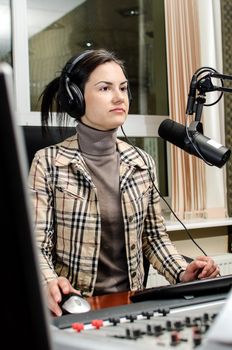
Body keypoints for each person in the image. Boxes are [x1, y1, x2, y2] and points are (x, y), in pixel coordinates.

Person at [28, 48, 220, 317]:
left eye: (123, 88)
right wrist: (49, 282)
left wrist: (181, 271)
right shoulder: (48, 162)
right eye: (105, 88)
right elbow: (36, 246)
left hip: (129, 307)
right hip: (74, 308)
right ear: (76, 98)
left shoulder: (141, 162)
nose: (119, 97)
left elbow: (153, 239)